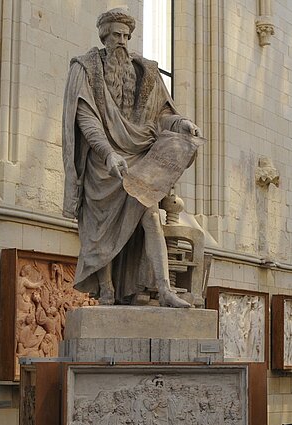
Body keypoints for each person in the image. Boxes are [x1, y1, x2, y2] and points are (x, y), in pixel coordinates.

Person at [62, 8, 202, 307]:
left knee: (150, 218)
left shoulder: (145, 72)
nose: (122, 41)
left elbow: (163, 114)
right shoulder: (85, 68)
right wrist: (109, 153)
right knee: (101, 229)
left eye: (126, 36)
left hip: (140, 159)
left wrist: (182, 124)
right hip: (103, 163)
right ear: (104, 36)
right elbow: (87, 119)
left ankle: (164, 289)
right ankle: (107, 290)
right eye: (115, 35)